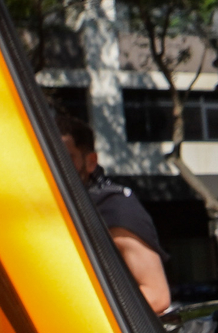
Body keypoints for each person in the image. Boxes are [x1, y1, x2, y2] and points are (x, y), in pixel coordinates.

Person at [56, 112, 171, 313]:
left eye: (67, 158)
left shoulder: (114, 207)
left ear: (91, 161)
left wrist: (81, 316)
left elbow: (156, 295)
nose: (55, 165)